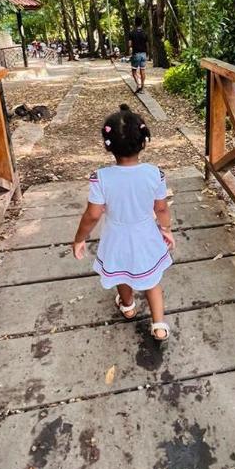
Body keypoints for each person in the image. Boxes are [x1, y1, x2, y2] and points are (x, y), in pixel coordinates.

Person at [72, 104, 174, 343]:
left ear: (108, 146)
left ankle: (128, 307)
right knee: (152, 279)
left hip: (116, 236)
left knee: (121, 274)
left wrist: (79, 238)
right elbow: (161, 208)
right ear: (143, 142)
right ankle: (159, 325)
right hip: (146, 234)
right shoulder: (154, 174)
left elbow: (93, 214)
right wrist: (166, 229)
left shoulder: (101, 178)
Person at [128, 16, 148, 93]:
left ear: (135, 23)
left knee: (134, 71)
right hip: (143, 54)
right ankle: (142, 87)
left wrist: (129, 53)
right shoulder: (144, 33)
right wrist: (147, 54)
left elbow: (130, 45)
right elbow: (147, 44)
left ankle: (138, 84)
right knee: (142, 70)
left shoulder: (132, 33)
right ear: (141, 23)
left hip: (136, 54)